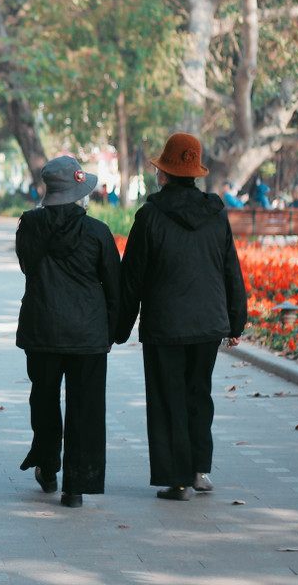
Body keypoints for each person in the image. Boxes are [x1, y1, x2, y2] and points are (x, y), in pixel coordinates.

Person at [117, 133, 248, 502]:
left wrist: (118, 327)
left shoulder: (150, 216)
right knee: (198, 394)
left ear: (166, 174)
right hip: (207, 324)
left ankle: (177, 480)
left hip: (165, 325)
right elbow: (230, 270)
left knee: (167, 398)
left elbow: (133, 278)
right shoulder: (215, 213)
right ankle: (199, 470)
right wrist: (235, 321)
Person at [15, 156, 121, 509]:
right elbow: (114, 287)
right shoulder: (98, 232)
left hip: (42, 330)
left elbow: (27, 268)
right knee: (86, 408)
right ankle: (76, 487)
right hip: (88, 336)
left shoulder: (29, 226)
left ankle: (48, 466)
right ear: (80, 195)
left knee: (44, 400)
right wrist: (112, 331)